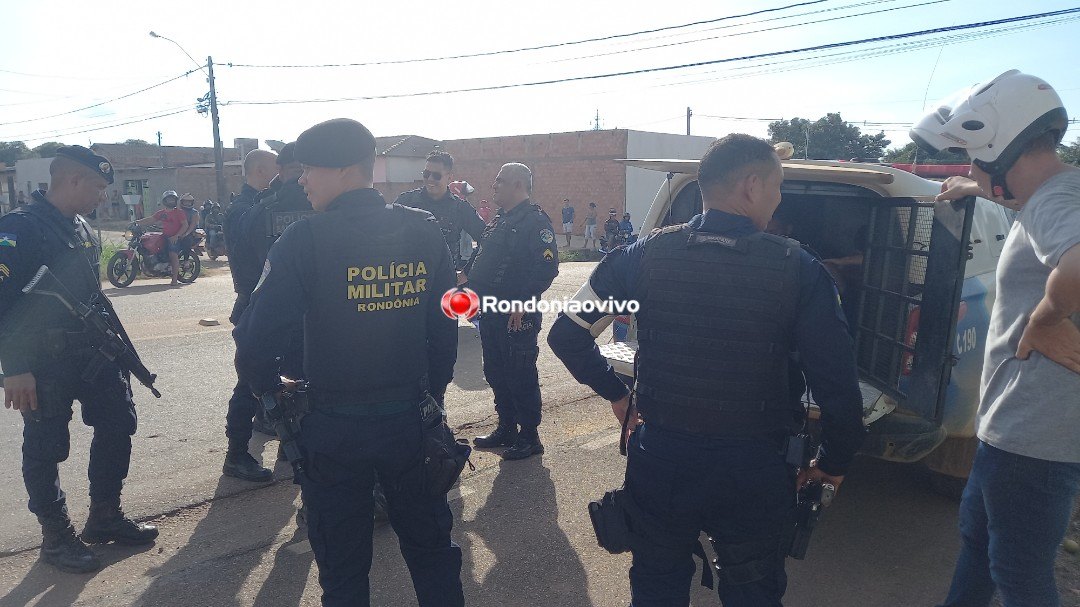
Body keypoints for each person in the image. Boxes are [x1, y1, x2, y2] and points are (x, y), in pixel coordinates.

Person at [548, 134, 864, 606]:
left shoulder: (641, 254)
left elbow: (566, 334)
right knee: (753, 591)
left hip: (661, 459)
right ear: (752, 186)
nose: (779, 200)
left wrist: (617, 394)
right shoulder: (799, 268)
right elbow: (838, 389)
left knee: (656, 587)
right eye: (778, 187)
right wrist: (833, 463)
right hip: (754, 468)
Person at [233, 118, 463, 606]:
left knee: (343, 573)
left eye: (309, 169)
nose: (302, 180)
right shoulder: (423, 231)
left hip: (333, 432)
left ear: (342, 170)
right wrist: (432, 396)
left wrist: (271, 390)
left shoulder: (304, 239)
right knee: (432, 556)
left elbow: (254, 341)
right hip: (411, 424)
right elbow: (446, 327)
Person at [912, 70, 1080, 607]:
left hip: (1032, 437)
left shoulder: (1054, 202)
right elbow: (1036, 209)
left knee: (1019, 575)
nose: (969, 169)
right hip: (1022, 427)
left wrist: (1045, 320)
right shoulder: (1057, 191)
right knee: (980, 545)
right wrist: (972, 188)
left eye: (972, 160)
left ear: (999, 148)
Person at [0, 146, 158, 574]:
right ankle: (56, 537)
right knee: (46, 446)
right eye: (99, 187)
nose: (103, 196)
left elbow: (93, 296)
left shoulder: (84, 227)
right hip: (42, 361)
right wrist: (15, 367)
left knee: (118, 423)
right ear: (73, 180)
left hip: (94, 353)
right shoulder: (19, 228)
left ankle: (105, 515)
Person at [462, 162, 559, 460]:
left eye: (500, 181)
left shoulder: (535, 221)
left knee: (520, 373)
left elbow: (546, 267)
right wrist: (464, 276)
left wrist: (523, 301)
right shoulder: (499, 220)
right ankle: (506, 427)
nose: (494, 186)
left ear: (518, 185)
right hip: (490, 311)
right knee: (495, 371)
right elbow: (483, 255)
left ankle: (529, 436)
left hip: (516, 313)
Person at [222, 148, 278, 482]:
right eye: (276, 169)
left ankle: (266, 421)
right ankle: (236, 455)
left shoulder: (258, 206)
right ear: (260, 171)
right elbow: (253, 260)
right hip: (254, 303)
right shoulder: (245, 209)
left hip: (262, 301)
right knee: (249, 380)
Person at [394, 151, 486, 270]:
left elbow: (486, 239)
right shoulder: (406, 201)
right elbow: (386, 233)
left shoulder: (460, 207)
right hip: (411, 277)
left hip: (444, 277)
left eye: (436, 175)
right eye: (426, 174)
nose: (430, 179)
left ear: (449, 177)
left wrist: (466, 272)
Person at [134, 190, 187, 286]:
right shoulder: (161, 213)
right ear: (165, 201)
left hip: (175, 237)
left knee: (173, 254)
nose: (171, 201)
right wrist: (137, 222)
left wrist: (176, 236)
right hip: (164, 236)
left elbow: (185, 225)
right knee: (152, 245)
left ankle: (174, 279)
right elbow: (151, 219)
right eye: (169, 199)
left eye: (173, 199)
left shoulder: (179, 212)